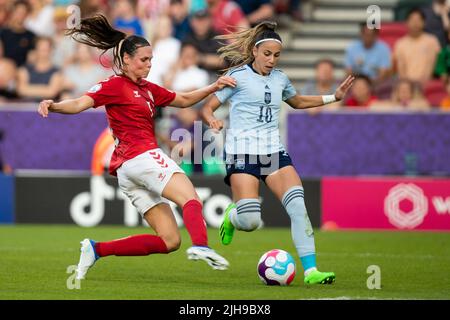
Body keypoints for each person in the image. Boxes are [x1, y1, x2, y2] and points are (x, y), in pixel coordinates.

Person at [37, 14, 236, 280]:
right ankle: (201, 246)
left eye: (151, 60)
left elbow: (185, 99)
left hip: (129, 172)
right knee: (190, 197)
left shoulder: (149, 89)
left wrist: (214, 85)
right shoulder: (115, 85)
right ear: (126, 59)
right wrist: (55, 105)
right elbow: (80, 103)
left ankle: (96, 250)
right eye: (144, 59)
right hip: (141, 157)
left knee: (169, 240)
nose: (149, 65)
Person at [200, 21, 354, 285]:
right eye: (267, 54)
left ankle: (311, 271)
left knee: (297, 206)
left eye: (276, 55)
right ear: (255, 51)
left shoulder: (280, 78)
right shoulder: (237, 77)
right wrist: (211, 119)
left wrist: (333, 97)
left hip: (273, 152)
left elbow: (297, 101)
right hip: (242, 153)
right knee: (249, 221)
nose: (272, 60)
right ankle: (233, 216)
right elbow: (207, 107)